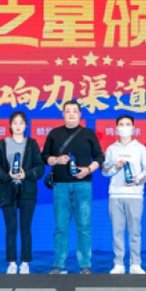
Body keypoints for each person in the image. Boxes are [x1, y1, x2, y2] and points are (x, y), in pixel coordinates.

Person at [40, 100, 104, 274]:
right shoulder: (54, 134)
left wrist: (88, 169)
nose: (71, 114)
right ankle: (59, 265)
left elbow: (99, 157)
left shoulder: (88, 133)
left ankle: (85, 265)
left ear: (80, 114)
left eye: (74, 111)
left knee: (84, 226)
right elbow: (44, 156)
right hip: (60, 186)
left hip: (83, 186)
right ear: (63, 114)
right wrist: (56, 160)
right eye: (67, 111)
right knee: (61, 227)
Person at [0, 111, 44, 274]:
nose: (18, 126)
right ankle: (12, 263)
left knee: (26, 228)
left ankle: (25, 262)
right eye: (15, 123)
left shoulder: (32, 144)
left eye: (21, 123)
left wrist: (26, 174)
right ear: (10, 125)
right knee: (11, 228)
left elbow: (40, 168)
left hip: (28, 191)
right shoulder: (1, 145)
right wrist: (8, 176)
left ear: (26, 125)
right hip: (7, 191)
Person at [101, 115, 146, 275]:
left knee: (135, 231)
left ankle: (136, 263)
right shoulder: (111, 149)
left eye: (128, 124)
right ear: (116, 128)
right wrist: (115, 167)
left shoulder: (140, 148)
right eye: (121, 124)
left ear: (133, 127)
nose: (124, 127)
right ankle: (119, 263)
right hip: (115, 194)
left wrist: (136, 180)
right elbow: (104, 171)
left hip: (135, 195)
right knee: (117, 231)